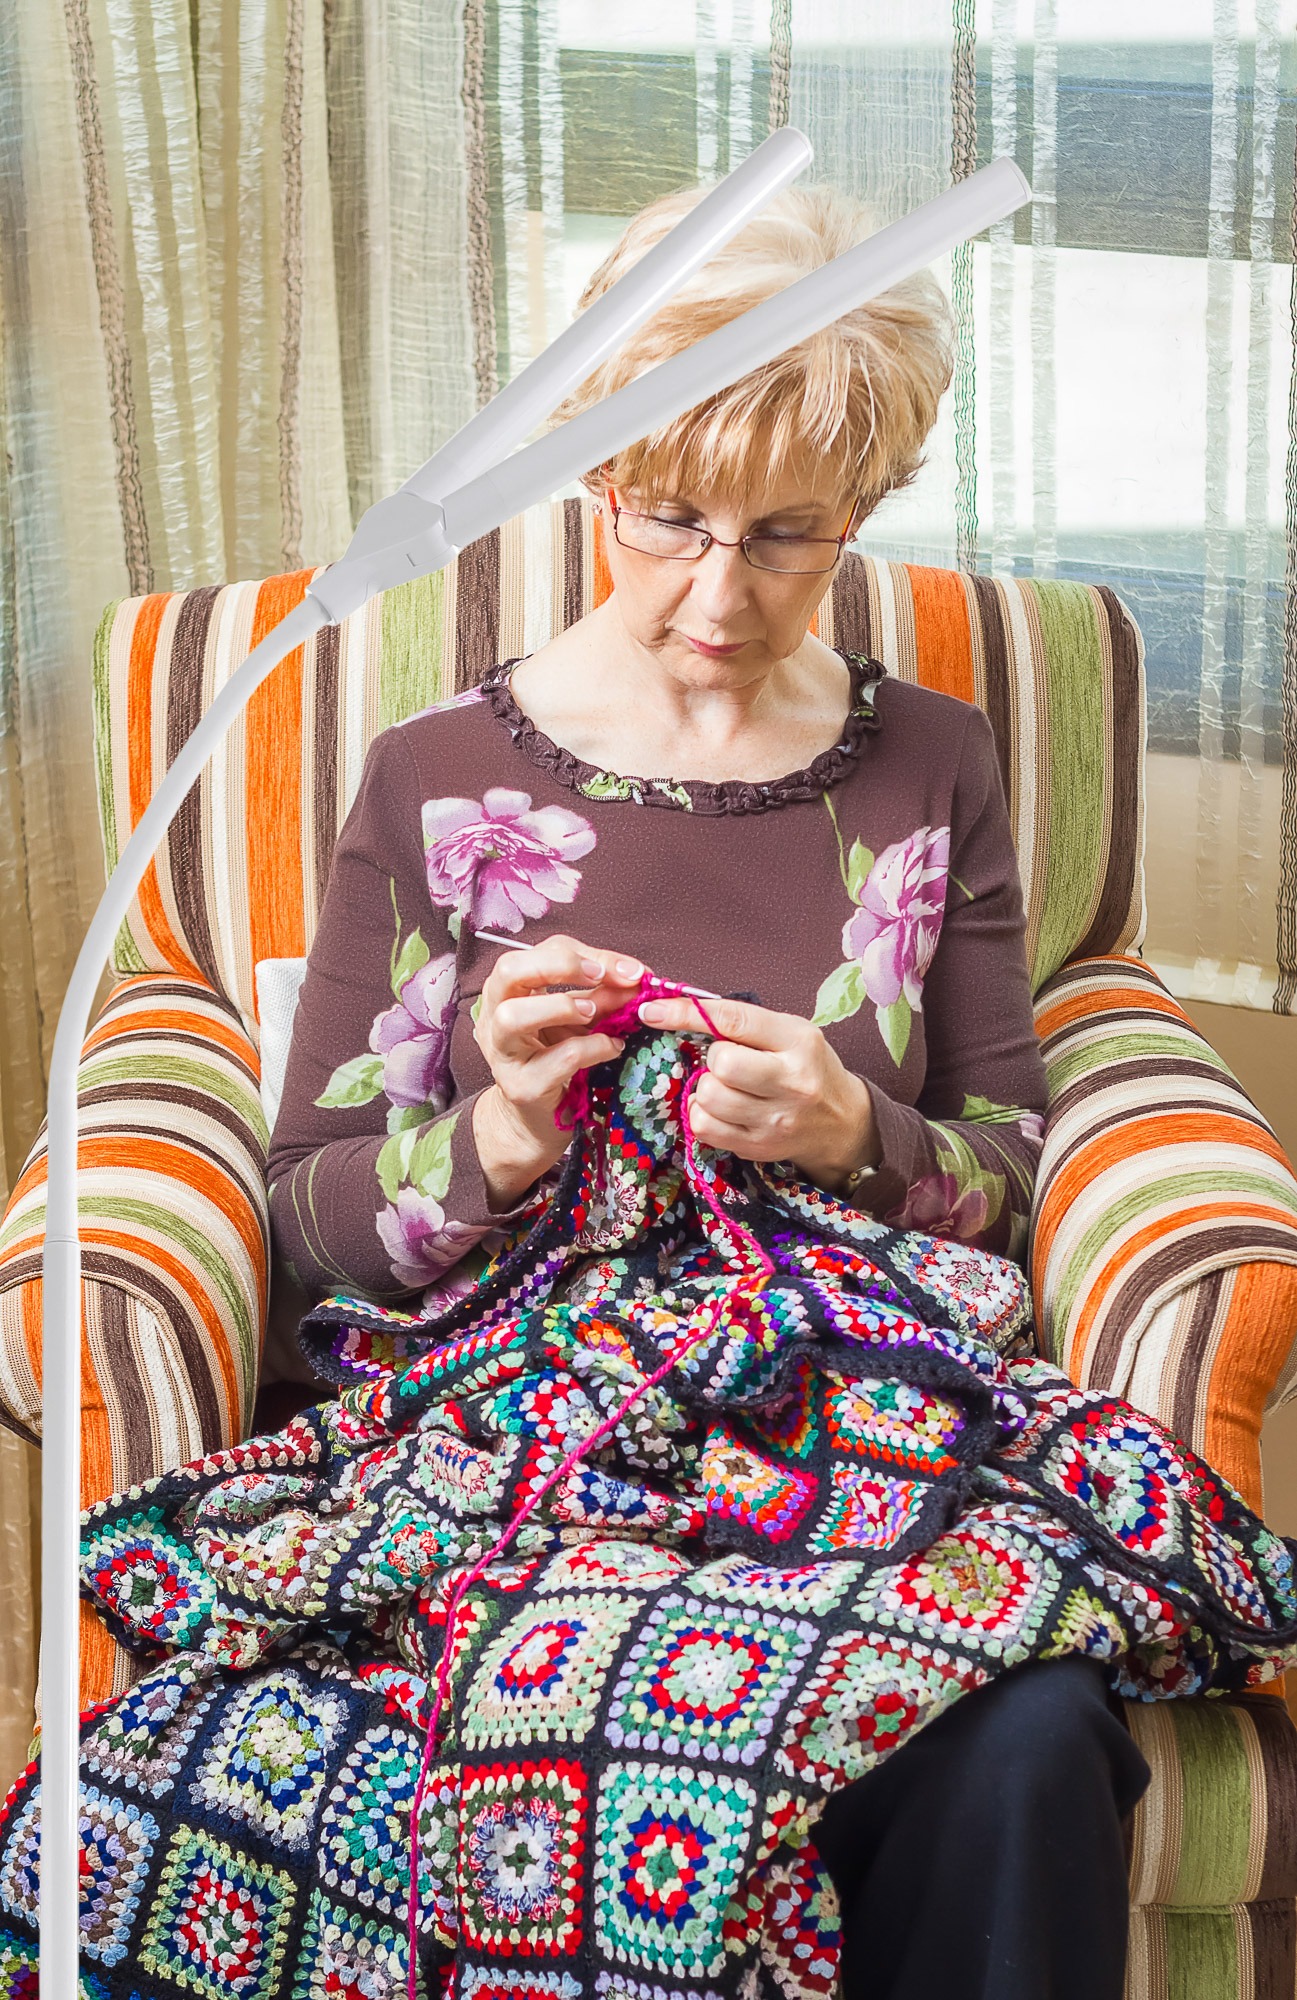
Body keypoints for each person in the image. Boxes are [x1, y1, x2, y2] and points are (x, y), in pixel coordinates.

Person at [7, 181, 1293, 2000]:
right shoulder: (439, 776)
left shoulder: (931, 761)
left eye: (786, 536)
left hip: (859, 1414)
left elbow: (1006, 1155)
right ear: (588, 478)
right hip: (523, 1421)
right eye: (663, 519)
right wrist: (501, 1140)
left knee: (1021, 1745)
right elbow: (311, 1205)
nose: (715, 591)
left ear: (863, 512)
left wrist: (856, 1131)